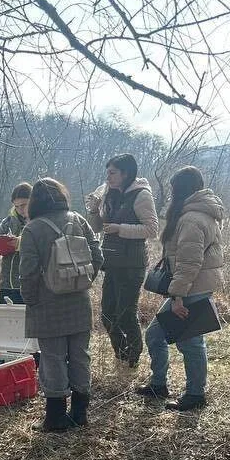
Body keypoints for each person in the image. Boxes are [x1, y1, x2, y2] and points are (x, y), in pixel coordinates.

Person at [19, 177, 104, 432]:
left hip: (47, 304)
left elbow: (28, 273)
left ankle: (55, 418)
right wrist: (83, 282)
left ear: (35, 202)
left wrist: (31, 300)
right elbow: (98, 256)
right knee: (80, 357)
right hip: (80, 302)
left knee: (52, 359)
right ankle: (80, 413)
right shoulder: (78, 220)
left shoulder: (32, 229)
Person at [136, 166, 225, 411]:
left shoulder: (192, 219)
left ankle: (195, 394)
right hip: (190, 286)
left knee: (190, 342)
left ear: (181, 190)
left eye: (174, 188)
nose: (171, 194)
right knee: (155, 335)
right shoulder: (194, 214)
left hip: (191, 288)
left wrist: (177, 296)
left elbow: (189, 263)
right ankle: (159, 384)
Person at [85, 153, 158, 368]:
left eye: (112, 173)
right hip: (112, 263)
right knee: (107, 315)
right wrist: (93, 209)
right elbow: (97, 227)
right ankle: (122, 354)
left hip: (132, 264)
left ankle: (133, 358)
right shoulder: (109, 194)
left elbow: (152, 229)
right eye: (107, 172)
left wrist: (120, 229)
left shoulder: (141, 195)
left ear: (126, 174)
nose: (108, 177)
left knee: (126, 314)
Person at [0, 182, 31, 304]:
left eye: (23, 205)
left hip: (29, 285)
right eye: (16, 206)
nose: (20, 209)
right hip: (6, 284)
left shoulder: (40, 222)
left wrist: (20, 243)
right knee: (5, 322)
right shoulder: (7, 222)